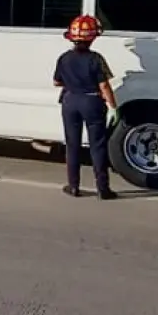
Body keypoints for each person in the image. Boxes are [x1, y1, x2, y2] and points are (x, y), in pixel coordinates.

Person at [53, 14, 119, 200]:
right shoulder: (96, 59)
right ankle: (102, 189)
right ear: (92, 39)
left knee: (72, 145)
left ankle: (73, 186)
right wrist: (114, 106)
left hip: (70, 101)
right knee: (97, 146)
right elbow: (104, 86)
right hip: (92, 103)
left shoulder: (64, 58)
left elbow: (56, 82)